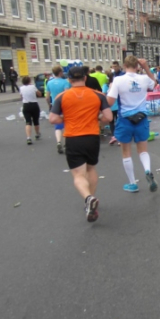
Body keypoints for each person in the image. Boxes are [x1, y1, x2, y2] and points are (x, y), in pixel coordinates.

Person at [49, 66, 113, 223]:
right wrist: (97, 121)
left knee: (78, 174)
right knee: (91, 169)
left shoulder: (62, 96)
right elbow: (108, 117)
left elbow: (53, 119)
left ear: (69, 79)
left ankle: (88, 198)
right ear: (85, 78)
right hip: (92, 137)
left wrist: (66, 119)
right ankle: (91, 201)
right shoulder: (98, 95)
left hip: (73, 138)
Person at [107, 56, 158, 193]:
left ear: (124, 66)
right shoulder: (144, 78)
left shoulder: (118, 80)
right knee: (143, 150)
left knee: (126, 152)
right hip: (141, 118)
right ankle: (147, 170)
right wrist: (146, 67)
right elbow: (154, 84)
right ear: (137, 66)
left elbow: (110, 102)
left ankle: (132, 183)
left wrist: (109, 90)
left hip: (125, 119)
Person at [46, 65, 71, 153]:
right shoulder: (65, 82)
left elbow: (47, 97)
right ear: (60, 73)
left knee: (58, 126)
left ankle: (59, 142)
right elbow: (67, 94)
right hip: (64, 105)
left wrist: (49, 105)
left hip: (55, 105)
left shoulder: (49, 83)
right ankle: (66, 143)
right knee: (66, 124)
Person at [19, 76, 42, 145]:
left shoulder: (21, 88)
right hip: (34, 104)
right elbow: (39, 94)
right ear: (29, 81)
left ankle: (28, 137)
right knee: (36, 121)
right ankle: (37, 134)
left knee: (28, 122)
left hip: (26, 105)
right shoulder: (33, 87)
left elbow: (21, 97)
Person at [102, 72, 119, 146]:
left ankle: (114, 136)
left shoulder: (105, 85)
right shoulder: (117, 85)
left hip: (109, 106)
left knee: (111, 122)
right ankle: (119, 138)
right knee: (118, 122)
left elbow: (103, 94)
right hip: (118, 106)